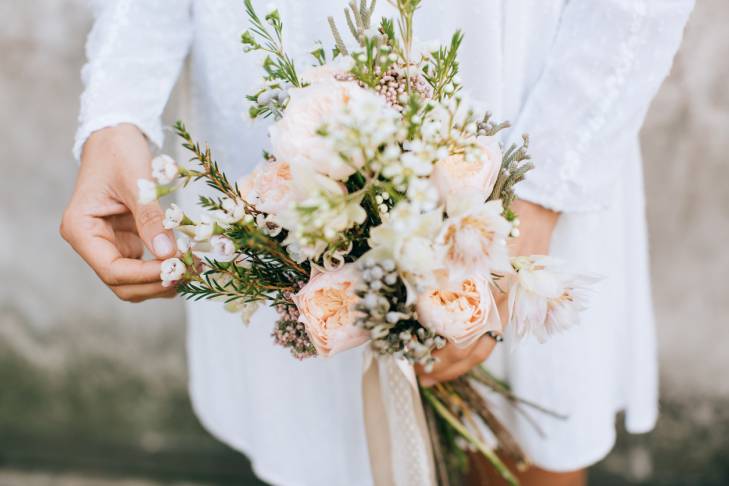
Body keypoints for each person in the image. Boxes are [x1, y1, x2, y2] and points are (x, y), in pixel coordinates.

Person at [60, 1, 695, 485]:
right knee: (322, 450)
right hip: (277, 143)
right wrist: (117, 108)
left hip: (522, 115)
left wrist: (539, 192)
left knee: (517, 450)